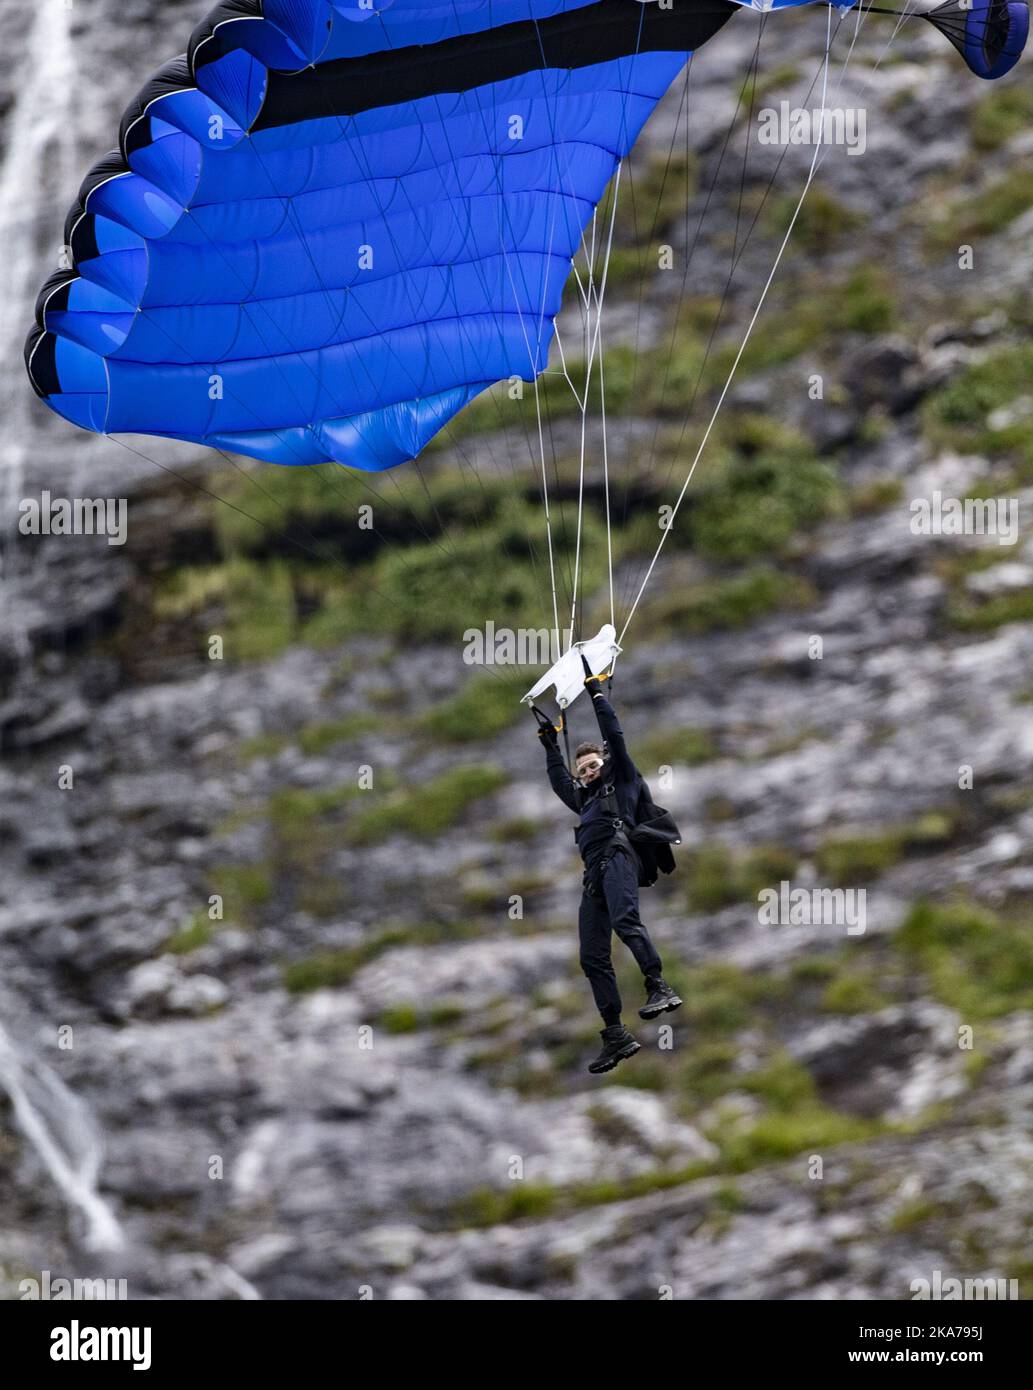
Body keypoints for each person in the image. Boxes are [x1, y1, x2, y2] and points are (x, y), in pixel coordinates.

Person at [536, 660, 682, 1074]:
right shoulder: (583, 800)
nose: (587, 773)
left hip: (620, 858)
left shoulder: (624, 780)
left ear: (604, 764)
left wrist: (597, 693)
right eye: (583, 771)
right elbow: (559, 781)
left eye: (593, 766)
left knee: (626, 920)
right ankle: (615, 1032)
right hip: (594, 876)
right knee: (591, 956)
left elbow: (614, 737)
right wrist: (550, 744)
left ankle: (658, 984)